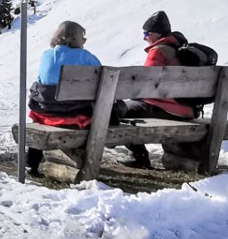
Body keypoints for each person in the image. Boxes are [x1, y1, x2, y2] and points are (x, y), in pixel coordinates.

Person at [23, 21, 117, 173]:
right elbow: (103, 78)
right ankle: (81, 159)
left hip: (44, 113)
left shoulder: (46, 55)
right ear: (76, 38)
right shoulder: (85, 57)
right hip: (73, 114)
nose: (84, 41)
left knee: (39, 117)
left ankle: (32, 163)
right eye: (83, 37)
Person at [119, 10, 196, 168]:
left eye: (146, 33)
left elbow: (145, 84)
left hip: (165, 109)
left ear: (156, 33)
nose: (144, 37)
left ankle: (139, 156)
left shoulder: (159, 51)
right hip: (187, 109)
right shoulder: (181, 48)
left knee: (116, 110)